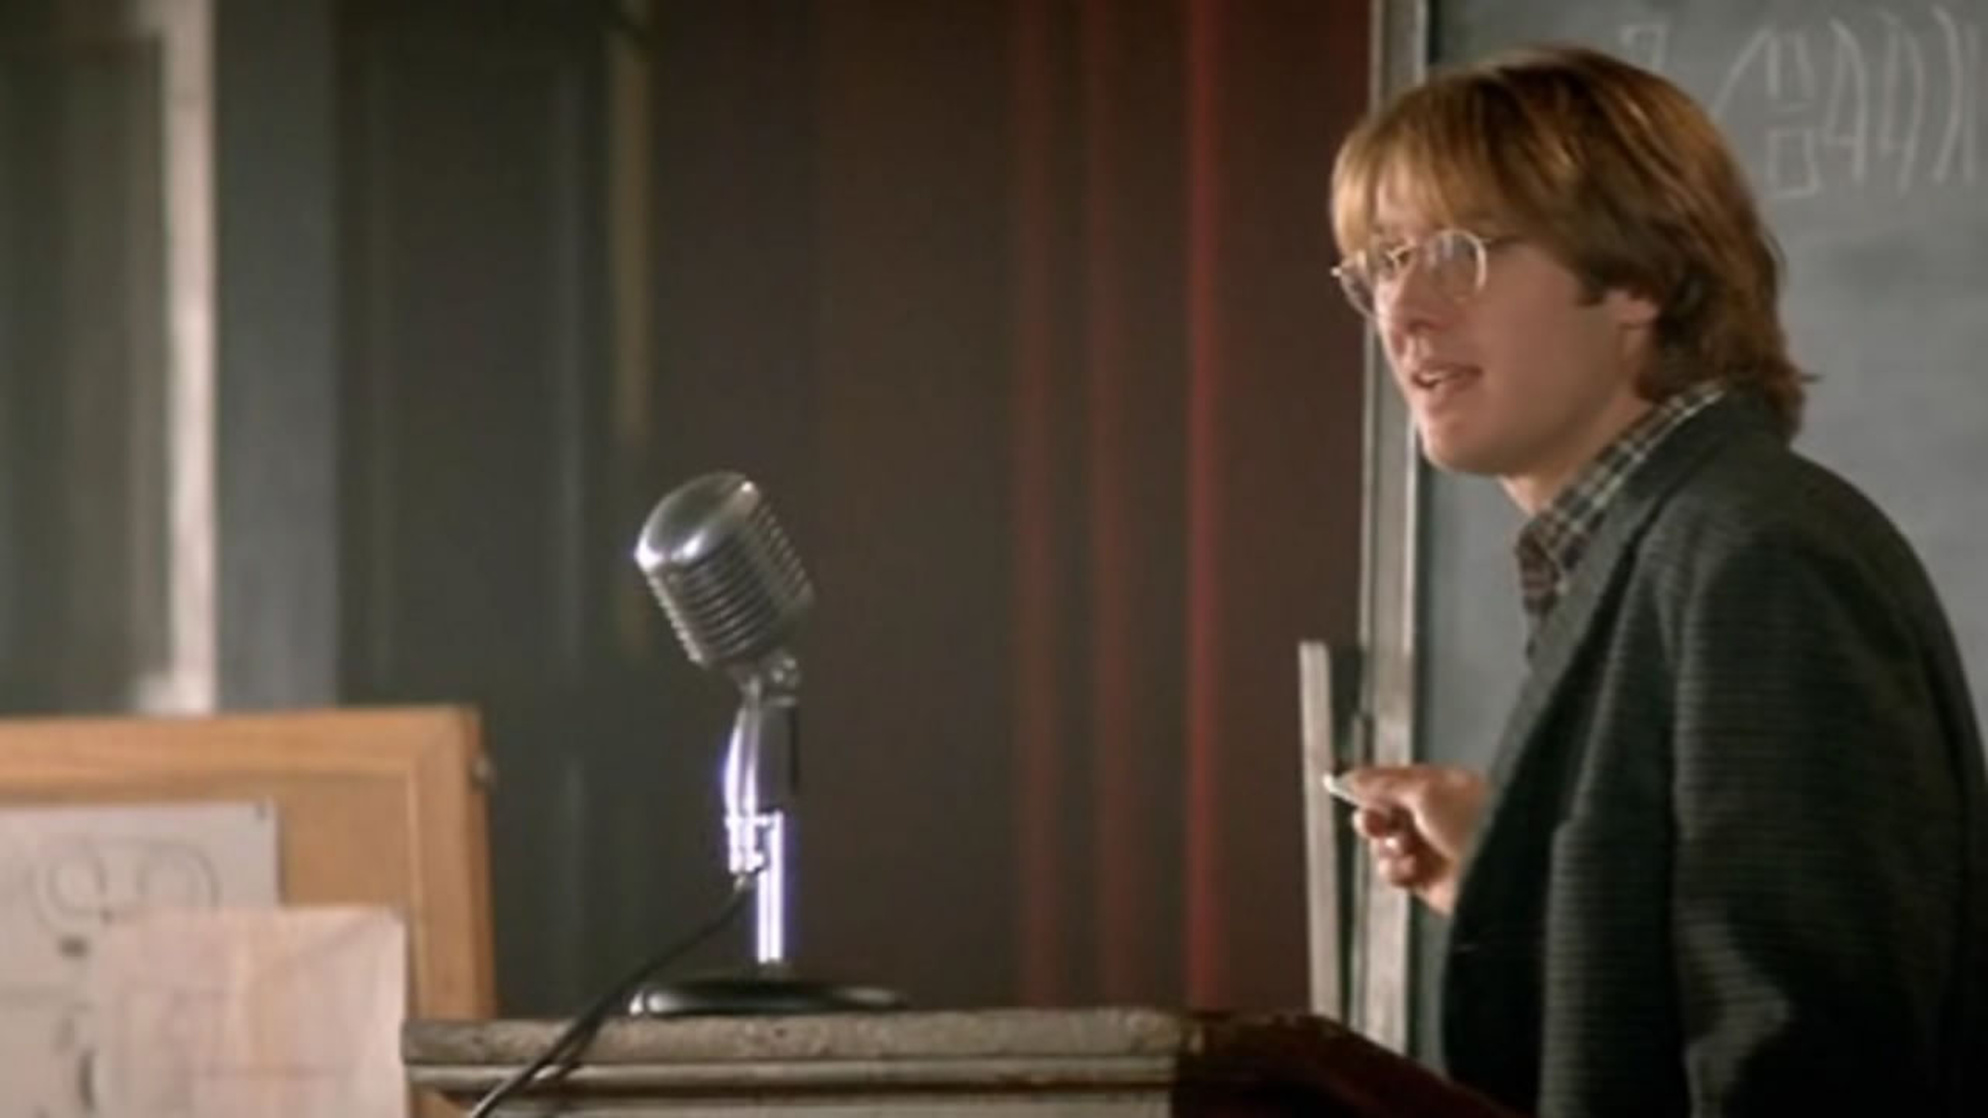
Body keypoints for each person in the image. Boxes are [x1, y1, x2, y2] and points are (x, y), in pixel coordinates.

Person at [1325, 43, 1988, 1117]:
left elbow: (1804, 1066)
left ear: (1637, 278)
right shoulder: (1651, 545)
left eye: (1454, 252)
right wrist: (1513, 879)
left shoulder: (1755, 558)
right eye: (1381, 265)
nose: (1402, 313)